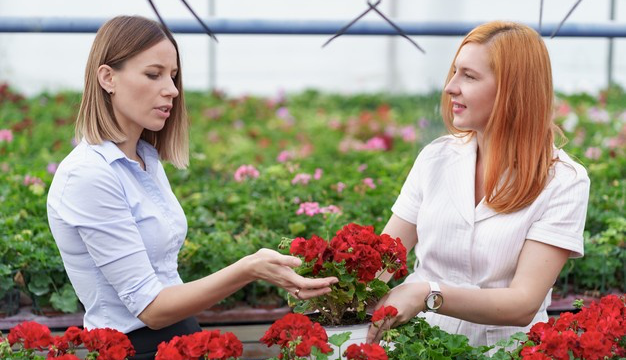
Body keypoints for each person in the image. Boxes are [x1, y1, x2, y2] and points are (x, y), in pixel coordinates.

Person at [46, 15, 337, 359]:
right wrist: (248, 268)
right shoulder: (88, 175)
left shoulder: (144, 160)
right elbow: (150, 309)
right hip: (136, 350)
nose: (171, 89)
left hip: (181, 339)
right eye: (153, 75)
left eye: (173, 77)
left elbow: (166, 281)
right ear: (108, 77)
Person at [366, 21, 590, 352]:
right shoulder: (436, 157)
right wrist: (326, 279)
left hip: (507, 350)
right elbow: (384, 260)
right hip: (421, 345)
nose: (450, 87)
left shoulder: (563, 181)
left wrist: (427, 293)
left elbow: (522, 303)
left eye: (469, 77)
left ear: (513, 90)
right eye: (455, 72)